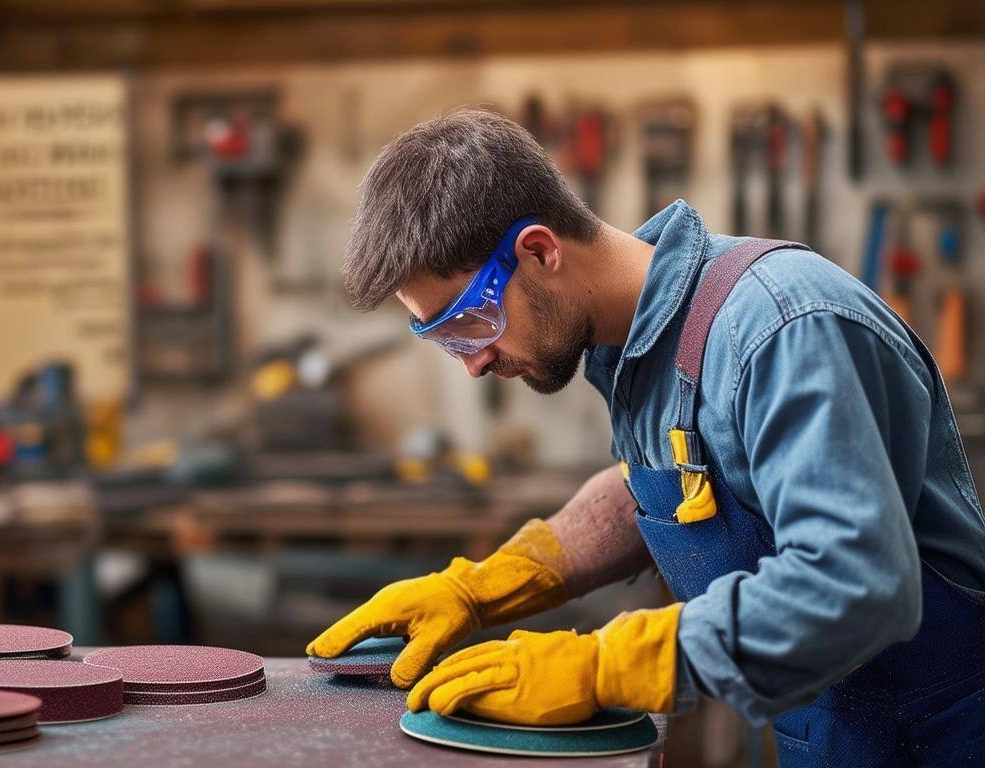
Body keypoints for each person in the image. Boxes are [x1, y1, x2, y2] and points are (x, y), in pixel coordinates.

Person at [307, 108, 985, 765]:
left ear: (539, 251)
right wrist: (485, 589)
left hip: (950, 733)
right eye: (440, 338)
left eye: (468, 324)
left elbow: (856, 583)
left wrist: (607, 664)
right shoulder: (637, 351)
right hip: (844, 732)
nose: (474, 362)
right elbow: (664, 489)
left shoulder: (781, 327)